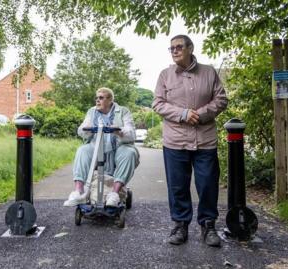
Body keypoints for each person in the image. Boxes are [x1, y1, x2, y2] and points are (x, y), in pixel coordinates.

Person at [152, 35, 228, 247]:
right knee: (178, 187)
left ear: (190, 48)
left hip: (205, 140)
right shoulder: (165, 75)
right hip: (175, 141)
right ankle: (180, 225)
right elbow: (158, 104)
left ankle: (208, 226)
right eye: (171, 48)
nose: (174, 51)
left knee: (207, 185)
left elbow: (221, 99)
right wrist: (183, 113)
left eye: (179, 47)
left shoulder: (209, 72)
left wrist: (201, 114)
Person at [64, 87, 139, 207]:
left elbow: (131, 133)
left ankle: (114, 193)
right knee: (82, 150)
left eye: (101, 98)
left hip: (119, 147)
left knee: (129, 153)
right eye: (96, 98)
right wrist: (87, 129)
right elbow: (81, 130)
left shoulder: (123, 111)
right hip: (96, 145)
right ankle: (78, 192)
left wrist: (119, 131)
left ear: (110, 100)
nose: (97, 100)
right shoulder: (91, 111)